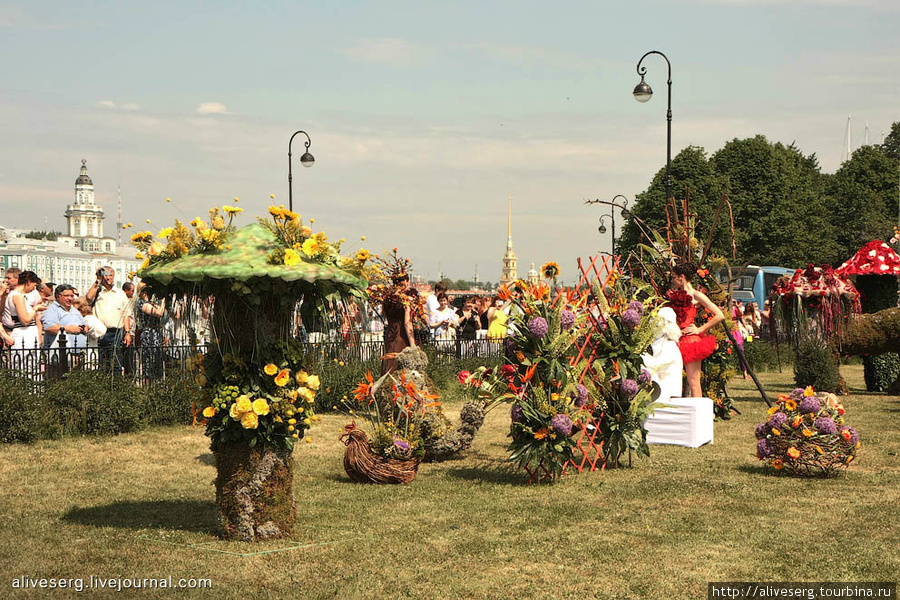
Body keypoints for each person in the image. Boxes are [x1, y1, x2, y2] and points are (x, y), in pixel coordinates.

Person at [666, 262, 725, 398]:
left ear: (681, 277)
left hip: (689, 341)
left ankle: (697, 417)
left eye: (674, 277)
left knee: (693, 382)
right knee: (672, 381)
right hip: (674, 340)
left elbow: (719, 315)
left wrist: (699, 329)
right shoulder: (675, 295)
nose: (672, 280)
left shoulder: (696, 295)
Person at [85, 266, 132, 372]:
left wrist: (127, 332)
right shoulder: (98, 292)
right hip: (101, 332)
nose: (108, 278)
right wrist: (98, 280)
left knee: (116, 362)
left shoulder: (120, 294)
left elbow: (126, 315)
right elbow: (88, 298)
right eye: (105, 275)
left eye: (110, 275)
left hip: (116, 332)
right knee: (100, 362)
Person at [379, 271, 419, 375]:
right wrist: (413, 344)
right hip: (402, 335)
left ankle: (385, 388)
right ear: (405, 282)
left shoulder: (387, 298)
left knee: (389, 362)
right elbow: (407, 323)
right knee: (403, 366)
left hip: (390, 334)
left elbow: (385, 316)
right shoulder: (405, 300)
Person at [641, 307, 683, 402]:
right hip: (660, 390)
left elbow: (657, 365)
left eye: (657, 325)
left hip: (667, 393)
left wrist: (641, 356)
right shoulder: (658, 343)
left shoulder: (670, 346)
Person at [5, 271, 48, 349]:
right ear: (28, 282)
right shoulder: (18, 296)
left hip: (26, 334)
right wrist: (36, 308)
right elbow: (25, 320)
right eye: (34, 285)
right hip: (24, 335)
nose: (33, 289)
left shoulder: (14, 295)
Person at [135, 285, 166, 381]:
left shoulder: (152, 303)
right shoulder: (141, 303)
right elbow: (159, 312)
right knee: (149, 362)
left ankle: (157, 382)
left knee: (157, 362)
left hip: (156, 333)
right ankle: (148, 384)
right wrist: (164, 299)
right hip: (149, 334)